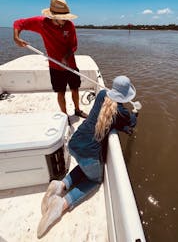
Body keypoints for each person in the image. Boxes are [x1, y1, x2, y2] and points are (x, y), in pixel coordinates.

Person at [37, 75, 138, 238]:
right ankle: (61, 204)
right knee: (94, 180)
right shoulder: (121, 112)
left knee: (84, 166)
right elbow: (131, 123)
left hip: (74, 143)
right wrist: (135, 112)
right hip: (88, 154)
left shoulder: (100, 95)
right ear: (126, 96)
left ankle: (60, 185)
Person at [13, 0, 87, 120]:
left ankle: (77, 110)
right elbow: (18, 23)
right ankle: (64, 117)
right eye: (62, 18)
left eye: (66, 17)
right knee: (60, 92)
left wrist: (66, 57)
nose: (65, 20)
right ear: (53, 16)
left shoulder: (70, 25)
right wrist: (16, 37)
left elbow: (73, 45)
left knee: (75, 89)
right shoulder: (41, 23)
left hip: (70, 64)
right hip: (54, 66)